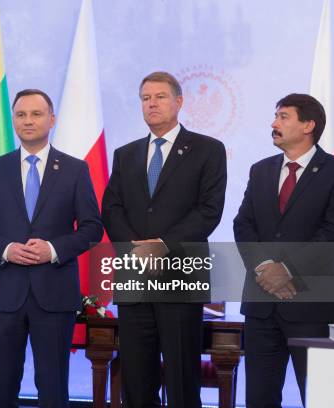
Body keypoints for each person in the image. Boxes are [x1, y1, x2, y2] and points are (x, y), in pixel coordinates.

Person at [0, 89, 103, 407]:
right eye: (21, 114)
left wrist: (53, 249)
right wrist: (6, 249)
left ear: (52, 119)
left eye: (36, 114)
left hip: (54, 294)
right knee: (2, 387)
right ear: (13, 120)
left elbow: (92, 228)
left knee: (53, 387)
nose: (28, 120)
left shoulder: (74, 169)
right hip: (4, 293)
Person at [102, 71, 227, 407]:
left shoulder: (208, 150)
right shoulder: (125, 154)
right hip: (134, 278)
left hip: (181, 277)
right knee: (137, 380)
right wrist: (135, 249)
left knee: (183, 380)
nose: (152, 104)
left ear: (179, 102)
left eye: (159, 96)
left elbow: (209, 211)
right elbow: (111, 208)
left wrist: (162, 246)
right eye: (145, 98)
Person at [234, 93, 334, 408]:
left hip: (314, 306)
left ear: (308, 125)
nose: (273, 123)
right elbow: (243, 225)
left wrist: (288, 270)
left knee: (324, 398)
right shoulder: (260, 170)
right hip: (261, 306)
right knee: (259, 399)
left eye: (283, 117)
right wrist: (266, 267)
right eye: (275, 116)